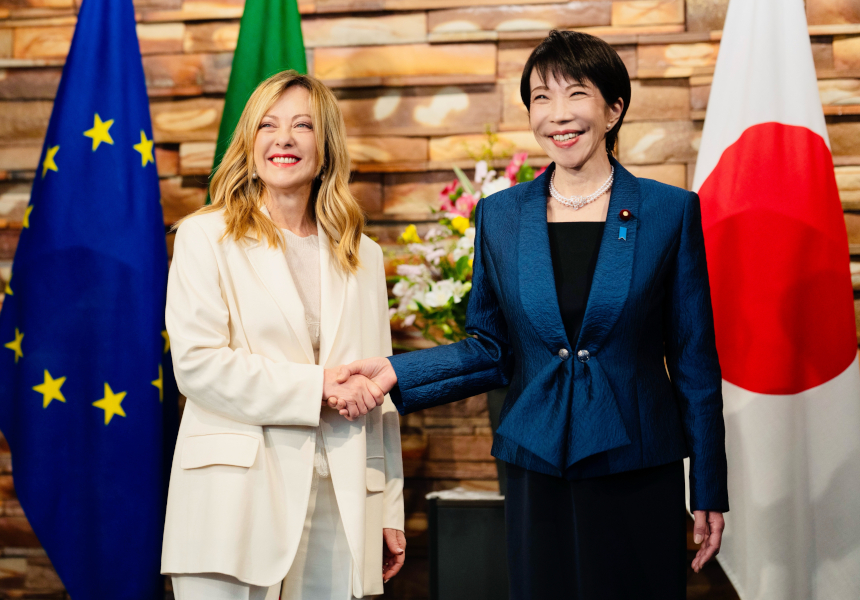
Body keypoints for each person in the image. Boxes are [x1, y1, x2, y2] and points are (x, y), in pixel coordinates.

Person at [339, 31, 728, 599]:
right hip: (536, 461)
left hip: (638, 464)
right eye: (541, 98)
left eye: (577, 93)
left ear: (614, 109)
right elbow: (491, 348)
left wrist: (710, 486)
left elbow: (694, 362)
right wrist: (397, 371)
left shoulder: (670, 211)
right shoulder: (500, 215)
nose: (558, 115)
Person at [161, 70, 405, 600]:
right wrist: (318, 386)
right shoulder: (205, 236)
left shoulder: (364, 255)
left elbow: (379, 389)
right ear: (250, 143)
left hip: (341, 501)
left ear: (326, 145)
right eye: (268, 125)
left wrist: (388, 506)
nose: (284, 139)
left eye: (303, 125)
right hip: (233, 501)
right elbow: (198, 365)